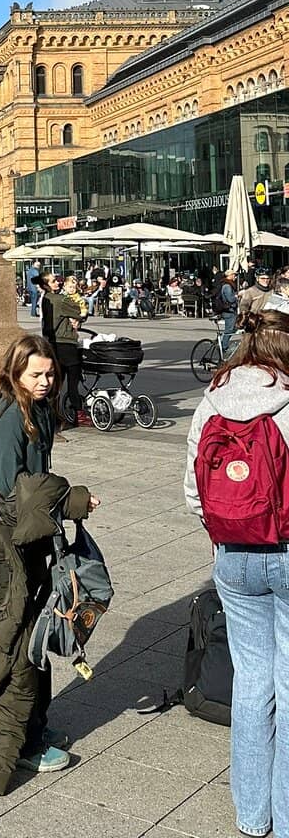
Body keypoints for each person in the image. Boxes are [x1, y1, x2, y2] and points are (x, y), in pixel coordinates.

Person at [0, 335, 100, 781]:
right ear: (14, 373)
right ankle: (22, 744)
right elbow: (13, 494)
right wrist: (69, 501)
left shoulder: (35, 408)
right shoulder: (7, 418)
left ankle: (33, 728)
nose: (45, 381)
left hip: (19, 534)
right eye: (35, 374)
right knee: (15, 640)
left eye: (50, 373)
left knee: (32, 632)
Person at [184, 310, 289, 838]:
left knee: (252, 682)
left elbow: (192, 492)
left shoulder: (212, 401)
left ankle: (252, 817)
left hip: (232, 554)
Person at [38, 273, 83, 425]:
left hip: (52, 344)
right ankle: (78, 412)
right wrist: (78, 317)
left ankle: (52, 415)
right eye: (53, 281)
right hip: (66, 343)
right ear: (45, 285)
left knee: (56, 384)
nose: (57, 282)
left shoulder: (45, 299)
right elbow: (78, 310)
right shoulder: (59, 299)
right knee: (73, 380)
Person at [214, 269, 240, 354]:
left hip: (229, 310)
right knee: (229, 329)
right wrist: (237, 296)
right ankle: (223, 346)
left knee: (232, 328)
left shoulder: (227, 285)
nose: (235, 277)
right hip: (229, 310)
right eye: (234, 275)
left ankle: (222, 343)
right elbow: (231, 299)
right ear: (229, 276)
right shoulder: (227, 286)